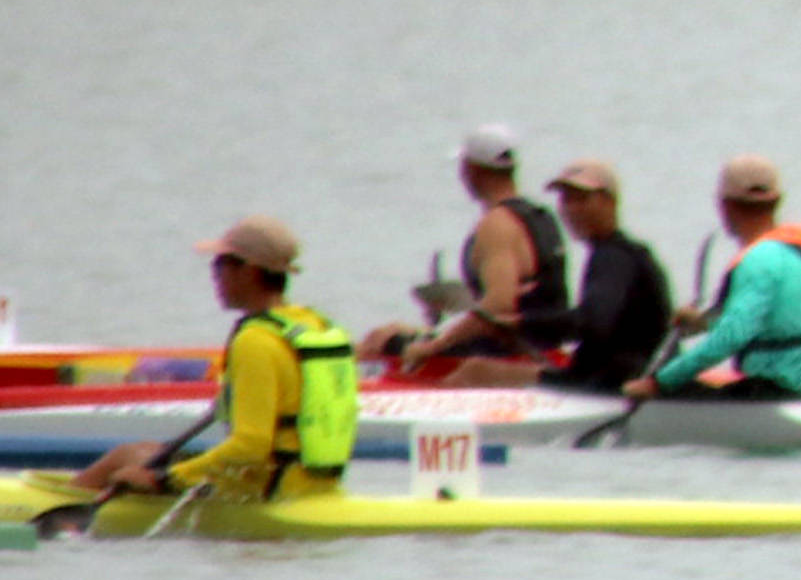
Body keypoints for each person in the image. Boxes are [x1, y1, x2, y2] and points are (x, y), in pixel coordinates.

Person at [73, 216, 356, 503]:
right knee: (142, 452)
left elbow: (251, 447)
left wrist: (163, 479)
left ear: (248, 271)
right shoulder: (315, 324)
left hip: (269, 490)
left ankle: (63, 503)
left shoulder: (255, 340)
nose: (213, 273)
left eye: (220, 263)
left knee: (127, 457)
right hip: (313, 484)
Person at [361, 126, 574, 378]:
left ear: (471, 170)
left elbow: (499, 306)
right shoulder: (540, 217)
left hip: (508, 352)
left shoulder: (497, 224)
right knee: (398, 330)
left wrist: (433, 345)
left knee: (381, 340)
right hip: (544, 345)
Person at [649, 158, 801, 402]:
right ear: (777, 202)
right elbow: (770, 320)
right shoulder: (795, 249)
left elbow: (729, 339)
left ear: (725, 206)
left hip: (779, 392)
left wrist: (659, 381)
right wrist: (704, 323)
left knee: (672, 391)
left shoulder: (757, 262)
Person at [540, 159, 677, 393]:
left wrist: (521, 323)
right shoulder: (628, 252)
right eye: (566, 200)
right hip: (618, 376)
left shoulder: (612, 257)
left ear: (610, 202)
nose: (572, 209)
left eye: (582, 199)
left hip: (619, 387)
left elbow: (594, 322)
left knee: (481, 371)